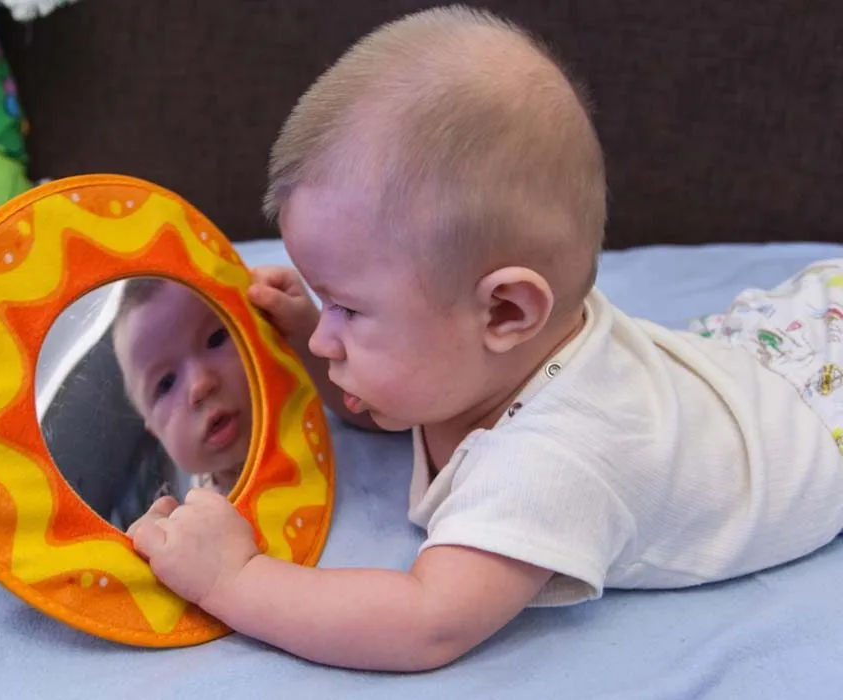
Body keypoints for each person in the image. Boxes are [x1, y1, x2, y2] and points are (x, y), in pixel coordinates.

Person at [127, 6, 843, 671]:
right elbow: (384, 405)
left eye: (349, 308)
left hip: (814, 421)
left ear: (505, 312)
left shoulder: (553, 463)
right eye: (327, 306)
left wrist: (235, 578)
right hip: (760, 353)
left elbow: (425, 622)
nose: (324, 344)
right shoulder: (476, 354)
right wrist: (314, 327)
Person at [112, 277, 252, 497]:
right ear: (156, 432)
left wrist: (303, 330)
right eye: (166, 384)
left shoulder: (303, 384)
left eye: (215, 339)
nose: (201, 385)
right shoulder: (202, 517)